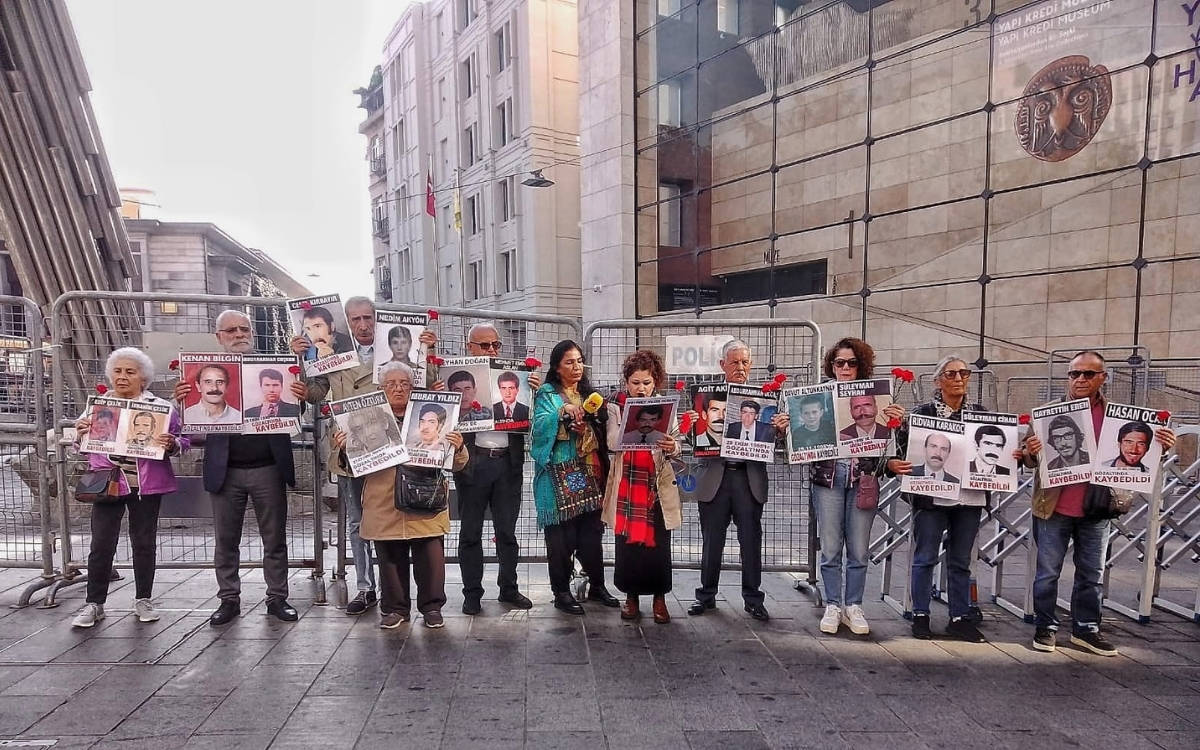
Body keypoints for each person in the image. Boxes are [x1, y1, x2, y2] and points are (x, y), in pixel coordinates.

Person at [1019, 351, 1175, 655]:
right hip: (1053, 506)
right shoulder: (1047, 413)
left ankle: (1086, 629)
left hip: (1098, 506)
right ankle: (1045, 627)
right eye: (1074, 374)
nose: (1080, 379)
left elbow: (1141, 453)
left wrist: (1162, 445)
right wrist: (1031, 451)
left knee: (1092, 573)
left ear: (1103, 377)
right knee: (1048, 572)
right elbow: (1028, 459)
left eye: (1088, 374)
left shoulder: (1121, 417)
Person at [296, 296, 438, 617]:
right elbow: (316, 393)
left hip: (391, 447)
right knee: (358, 522)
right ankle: (365, 586)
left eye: (368, 318)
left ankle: (402, 594)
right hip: (351, 446)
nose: (363, 325)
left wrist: (427, 351)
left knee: (394, 518)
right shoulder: (335, 355)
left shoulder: (397, 350)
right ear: (346, 322)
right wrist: (301, 367)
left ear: (378, 319)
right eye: (355, 319)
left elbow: (424, 386)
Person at [180, 309, 305, 626]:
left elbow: (294, 411)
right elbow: (191, 425)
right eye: (231, 330)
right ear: (218, 337)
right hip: (226, 470)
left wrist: (299, 394)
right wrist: (180, 400)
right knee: (226, 541)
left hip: (268, 467)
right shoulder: (207, 373)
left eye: (244, 328)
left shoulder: (272, 370)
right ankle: (228, 600)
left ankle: (278, 598)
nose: (239, 334)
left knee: (274, 539)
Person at [338, 361, 468, 628]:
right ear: (381, 388)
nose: (398, 389)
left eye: (404, 384)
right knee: (389, 559)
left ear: (413, 387)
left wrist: (459, 446)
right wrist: (344, 448)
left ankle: (432, 607)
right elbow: (350, 467)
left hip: (425, 498)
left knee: (430, 558)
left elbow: (457, 464)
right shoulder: (365, 420)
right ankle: (395, 609)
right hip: (383, 501)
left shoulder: (429, 417)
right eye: (391, 384)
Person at [71, 348, 187, 628]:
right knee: (101, 544)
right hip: (107, 483)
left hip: (145, 486)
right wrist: (80, 433)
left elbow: (183, 440)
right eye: (118, 371)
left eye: (130, 372)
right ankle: (94, 604)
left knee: (144, 543)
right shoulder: (99, 405)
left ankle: (143, 599)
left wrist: (172, 444)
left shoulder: (161, 407)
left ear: (143, 378)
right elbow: (82, 447)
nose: (122, 377)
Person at [684, 339, 788, 621]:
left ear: (750, 365)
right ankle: (705, 595)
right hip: (715, 477)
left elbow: (774, 441)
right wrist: (691, 424)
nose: (740, 367)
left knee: (751, 541)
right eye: (734, 362)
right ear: (722, 365)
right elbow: (690, 439)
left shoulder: (764, 398)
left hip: (748, 478)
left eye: (745, 362)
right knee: (711, 540)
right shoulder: (707, 397)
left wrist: (778, 431)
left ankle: (753, 599)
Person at [888, 355, 987, 642]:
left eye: (963, 373)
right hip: (931, 498)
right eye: (951, 374)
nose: (958, 379)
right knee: (925, 556)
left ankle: (960, 616)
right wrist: (896, 462)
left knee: (960, 559)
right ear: (937, 381)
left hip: (969, 497)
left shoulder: (980, 413)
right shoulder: (922, 414)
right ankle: (920, 614)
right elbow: (902, 448)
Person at [810, 338, 903, 636]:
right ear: (832, 366)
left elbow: (893, 449)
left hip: (864, 479)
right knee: (831, 546)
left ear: (861, 366)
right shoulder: (820, 395)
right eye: (840, 363)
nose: (846, 368)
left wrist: (896, 424)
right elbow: (802, 438)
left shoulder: (877, 398)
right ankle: (833, 604)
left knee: (860, 549)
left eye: (852, 363)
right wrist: (787, 429)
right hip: (828, 479)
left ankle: (854, 605)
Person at [451, 322, 537, 614]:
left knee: (507, 532)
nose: (491, 350)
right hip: (472, 463)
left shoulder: (513, 380)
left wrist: (533, 392)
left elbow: (532, 423)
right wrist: (439, 393)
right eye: (485, 345)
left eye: (496, 345)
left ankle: (508, 589)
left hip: (507, 464)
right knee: (470, 533)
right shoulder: (458, 381)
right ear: (469, 347)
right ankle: (472, 593)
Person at [531, 339, 620, 615]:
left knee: (591, 535)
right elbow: (538, 427)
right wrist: (561, 412)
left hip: (589, 473)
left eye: (580, 361)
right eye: (569, 362)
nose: (577, 367)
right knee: (560, 538)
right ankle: (561, 591)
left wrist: (586, 432)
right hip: (556, 476)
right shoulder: (547, 393)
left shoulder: (590, 395)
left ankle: (597, 585)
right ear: (557, 368)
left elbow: (603, 435)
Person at [602, 350, 681, 624]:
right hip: (627, 486)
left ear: (655, 382)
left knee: (659, 545)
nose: (641, 388)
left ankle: (660, 598)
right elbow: (612, 443)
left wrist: (673, 446)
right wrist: (628, 420)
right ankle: (631, 597)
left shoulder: (666, 407)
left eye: (646, 382)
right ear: (626, 382)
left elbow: (677, 444)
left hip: (656, 486)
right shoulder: (615, 407)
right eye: (635, 382)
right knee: (628, 546)